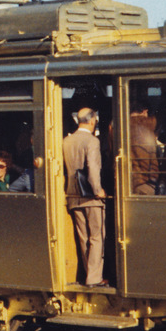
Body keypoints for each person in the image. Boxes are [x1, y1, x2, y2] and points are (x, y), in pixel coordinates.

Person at [62, 108, 106, 287]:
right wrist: (98, 190)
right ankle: (94, 278)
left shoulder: (67, 141)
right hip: (90, 196)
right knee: (97, 236)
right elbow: (93, 169)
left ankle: (89, 274)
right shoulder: (92, 141)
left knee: (84, 237)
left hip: (73, 195)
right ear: (92, 120)